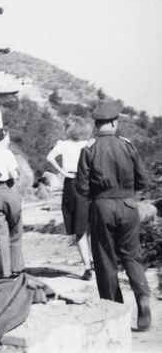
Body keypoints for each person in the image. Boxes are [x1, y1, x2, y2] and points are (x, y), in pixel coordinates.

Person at [75, 102, 151, 331]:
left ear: (97, 125)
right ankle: (142, 295)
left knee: (105, 260)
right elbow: (143, 181)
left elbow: (81, 187)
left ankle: (114, 312)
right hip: (128, 205)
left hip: (102, 206)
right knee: (132, 256)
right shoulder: (127, 146)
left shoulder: (89, 149)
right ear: (115, 123)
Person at [46, 117, 93, 280]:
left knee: (79, 228)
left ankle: (87, 267)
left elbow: (49, 157)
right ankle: (95, 261)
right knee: (91, 224)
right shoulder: (87, 144)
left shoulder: (63, 145)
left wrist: (62, 171)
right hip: (88, 182)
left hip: (71, 183)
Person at [0, 128, 25, 279]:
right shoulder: (7, 153)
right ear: (2, 138)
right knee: (15, 228)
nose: (9, 140)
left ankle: (3, 270)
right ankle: (16, 267)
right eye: (7, 137)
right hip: (9, 189)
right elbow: (14, 174)